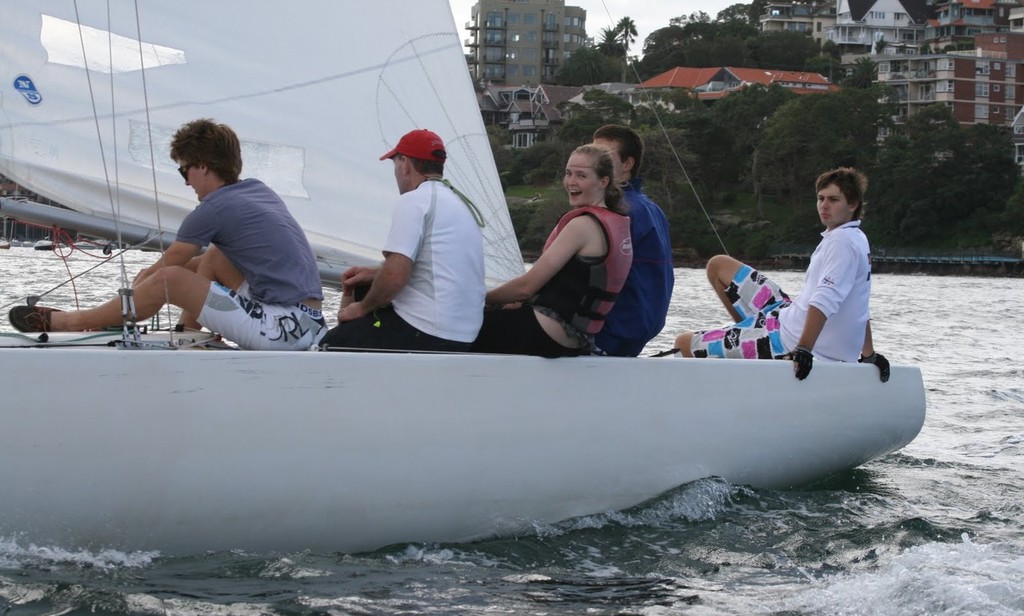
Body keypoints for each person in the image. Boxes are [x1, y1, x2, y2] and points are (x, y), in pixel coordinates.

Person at [8, 118, 326, 350]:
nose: (185, 182)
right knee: (213, 256)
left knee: (167, 279)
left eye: (183, 170)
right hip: (308, 320)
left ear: (202, 167)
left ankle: (70, 322)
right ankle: (189, 333)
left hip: (284, 328)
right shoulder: (258, 191)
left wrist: (134, 293)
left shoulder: (213, 209)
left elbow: (162, 270)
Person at [672, 167, 890, 382]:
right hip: (784, 313)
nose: (824, 205)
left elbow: (825, 299)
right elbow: (858, 303)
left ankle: (753, 344)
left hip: (786, 340)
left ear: (852, 204)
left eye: (833, 200)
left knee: (683, 343)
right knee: (719, 266)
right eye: (820, 198)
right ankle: (746, 338)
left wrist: (803, 350)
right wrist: (868, 355)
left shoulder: (842, 242)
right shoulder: (856, 237)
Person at [318, 129, 485, 352]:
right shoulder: (459, 204)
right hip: (465, 333)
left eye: (395, 163)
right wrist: (374, 274)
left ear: (405, 163)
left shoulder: (415, 201)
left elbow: (395, 277)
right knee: (370, 318)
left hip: (426, 331)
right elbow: (436, 269)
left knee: (330, 344)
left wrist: (360, 308)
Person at [471, 144, 632, 357]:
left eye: (581, 176)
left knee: (455, 328)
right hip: (577, 338)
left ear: (603, 182)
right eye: (568, 173)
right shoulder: (617, 222)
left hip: (547, 332)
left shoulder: (582, 225)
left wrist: (481, 298)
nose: (571, 182)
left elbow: (526, 288)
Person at [592, 124, 674, 357]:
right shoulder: (651, 208)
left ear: (628, 164)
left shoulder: (620, 211)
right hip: (636, 331)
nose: (594, 163)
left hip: (612, 332)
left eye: (604, 157)